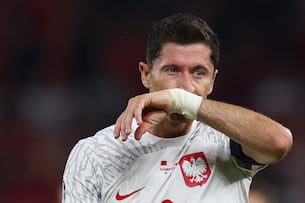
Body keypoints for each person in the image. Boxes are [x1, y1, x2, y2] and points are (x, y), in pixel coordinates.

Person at [62, 13, 293, 203]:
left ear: (212, 80)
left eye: (199, 73)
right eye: (172, 70)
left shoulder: (226, 141)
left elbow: (279, 142)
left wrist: (181, 102)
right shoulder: (95, 153)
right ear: (145, 74)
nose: (185, 86)